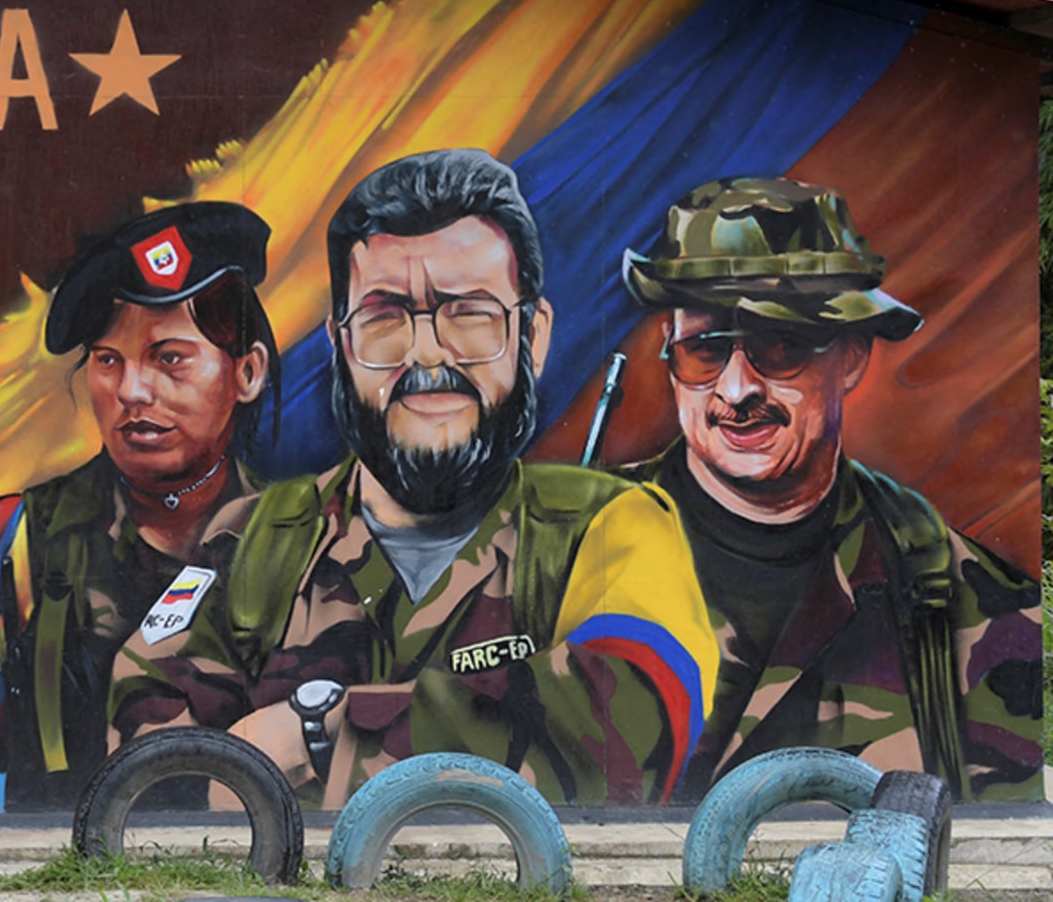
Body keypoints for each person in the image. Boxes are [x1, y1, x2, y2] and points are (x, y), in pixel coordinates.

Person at [109, 149, 720, 807]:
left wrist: (317, 737)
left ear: (533, 337)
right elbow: (144, 752)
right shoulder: (252, 539)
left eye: (470, 313)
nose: (427, 354)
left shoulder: (613, 527)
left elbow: (626, 727)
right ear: (342, 346)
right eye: (385, 318)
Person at [617, 175, 1043, 800]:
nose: (736, 390)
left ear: (852, 357)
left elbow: (998, 834)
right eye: (705, 350)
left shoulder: (962, 598)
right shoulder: (560, 553)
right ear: (670, 353)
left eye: (780, 346)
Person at [0, 202, 280, 812]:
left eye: (169, 358)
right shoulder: (10, 543)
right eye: (107, 360)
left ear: (247, 372)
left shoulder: (310, 540)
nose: (131, 391)